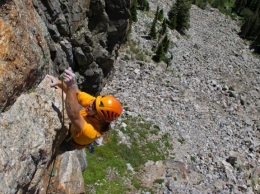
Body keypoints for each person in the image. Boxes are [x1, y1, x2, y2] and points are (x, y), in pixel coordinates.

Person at [46, 67, 123, 153]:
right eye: (94, 101)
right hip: (77, 123)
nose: (90, 104)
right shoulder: (96, 104)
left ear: (99, 118)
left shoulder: (91, 133)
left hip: (73, 140)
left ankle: (57, 154)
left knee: (60, 149)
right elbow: (76, 93)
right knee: (66, 96)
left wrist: (71, 86)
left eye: (93, 106)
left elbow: (74, 116)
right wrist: (59, 83)